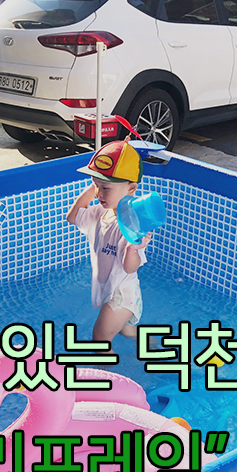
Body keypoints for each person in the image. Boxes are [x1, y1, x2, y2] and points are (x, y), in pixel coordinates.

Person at [67, 140, 152, 347]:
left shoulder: (132, 223)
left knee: (99, 340)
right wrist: (94, 186)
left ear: (131, 188)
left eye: (105, 187)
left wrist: (133, 249)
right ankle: (155, 348)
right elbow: (73, 217)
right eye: (95, 185)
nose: (98, 193)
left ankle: (109, 372)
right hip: (112, 290)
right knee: (127, 332)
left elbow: (130, 267)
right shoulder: (99, 213)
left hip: (122, 295)